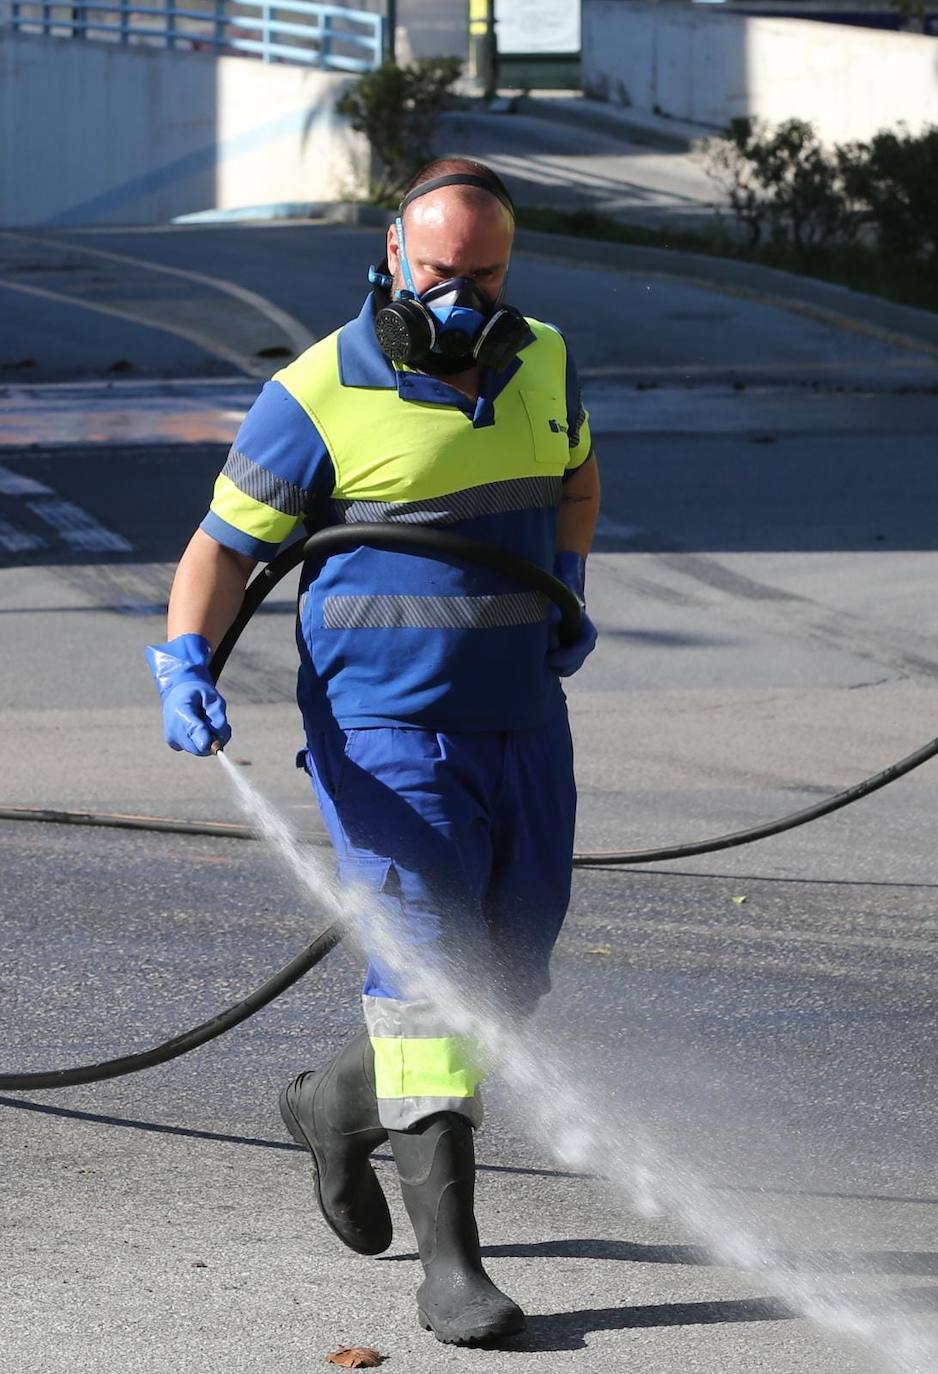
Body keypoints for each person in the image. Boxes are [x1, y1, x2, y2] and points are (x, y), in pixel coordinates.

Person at [145, 157, 600, 1346]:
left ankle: (332, 1108)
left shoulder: (545, 358)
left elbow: (576, 481)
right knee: (431, 982)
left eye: (484, 275)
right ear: (393, 256)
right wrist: (186, 657)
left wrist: (569, 583)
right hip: (384, 738)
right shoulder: (315, 393)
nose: (460, 298)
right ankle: (453, 1270)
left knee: (506, 983)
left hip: (522, 724)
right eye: (439, 271)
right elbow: (222, 548)